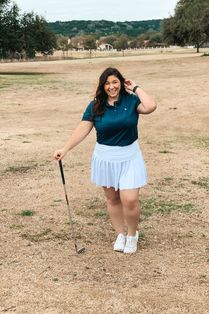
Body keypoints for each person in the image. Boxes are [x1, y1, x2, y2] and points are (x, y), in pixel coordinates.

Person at [53, 67, 156, 254]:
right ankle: (120, 235)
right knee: (112, 198)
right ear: (103, 85)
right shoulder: (95, 105)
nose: (111, 86)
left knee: (130, 199)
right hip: (105, 157)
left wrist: (136, 87)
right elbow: (83, 128)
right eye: (107, 83)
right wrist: (65, 148)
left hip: (130, 156)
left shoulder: (132, 101)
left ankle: (132, 235)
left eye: (115, 82)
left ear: (121, 83)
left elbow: (150, 106)